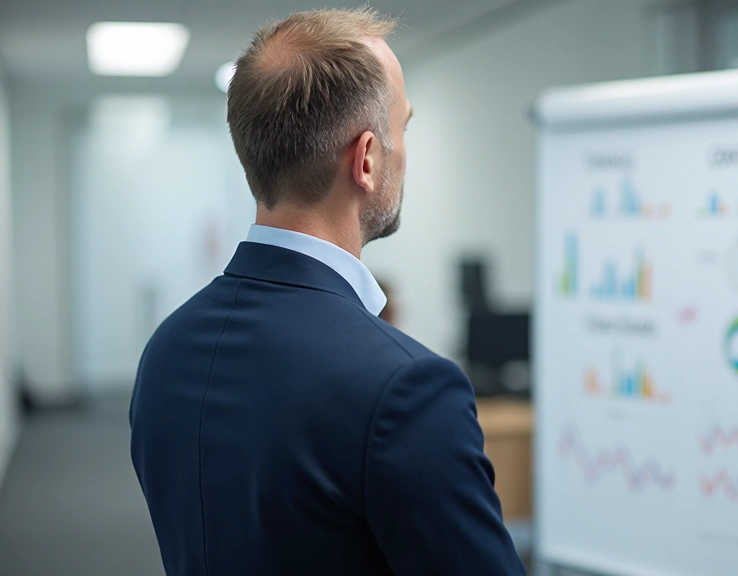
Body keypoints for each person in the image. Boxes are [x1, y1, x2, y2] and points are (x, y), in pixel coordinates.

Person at [129, 8, 526, 576]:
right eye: (403, 127)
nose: (404, 150)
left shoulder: (167, 348)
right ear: (366, 159)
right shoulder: (405, 389)